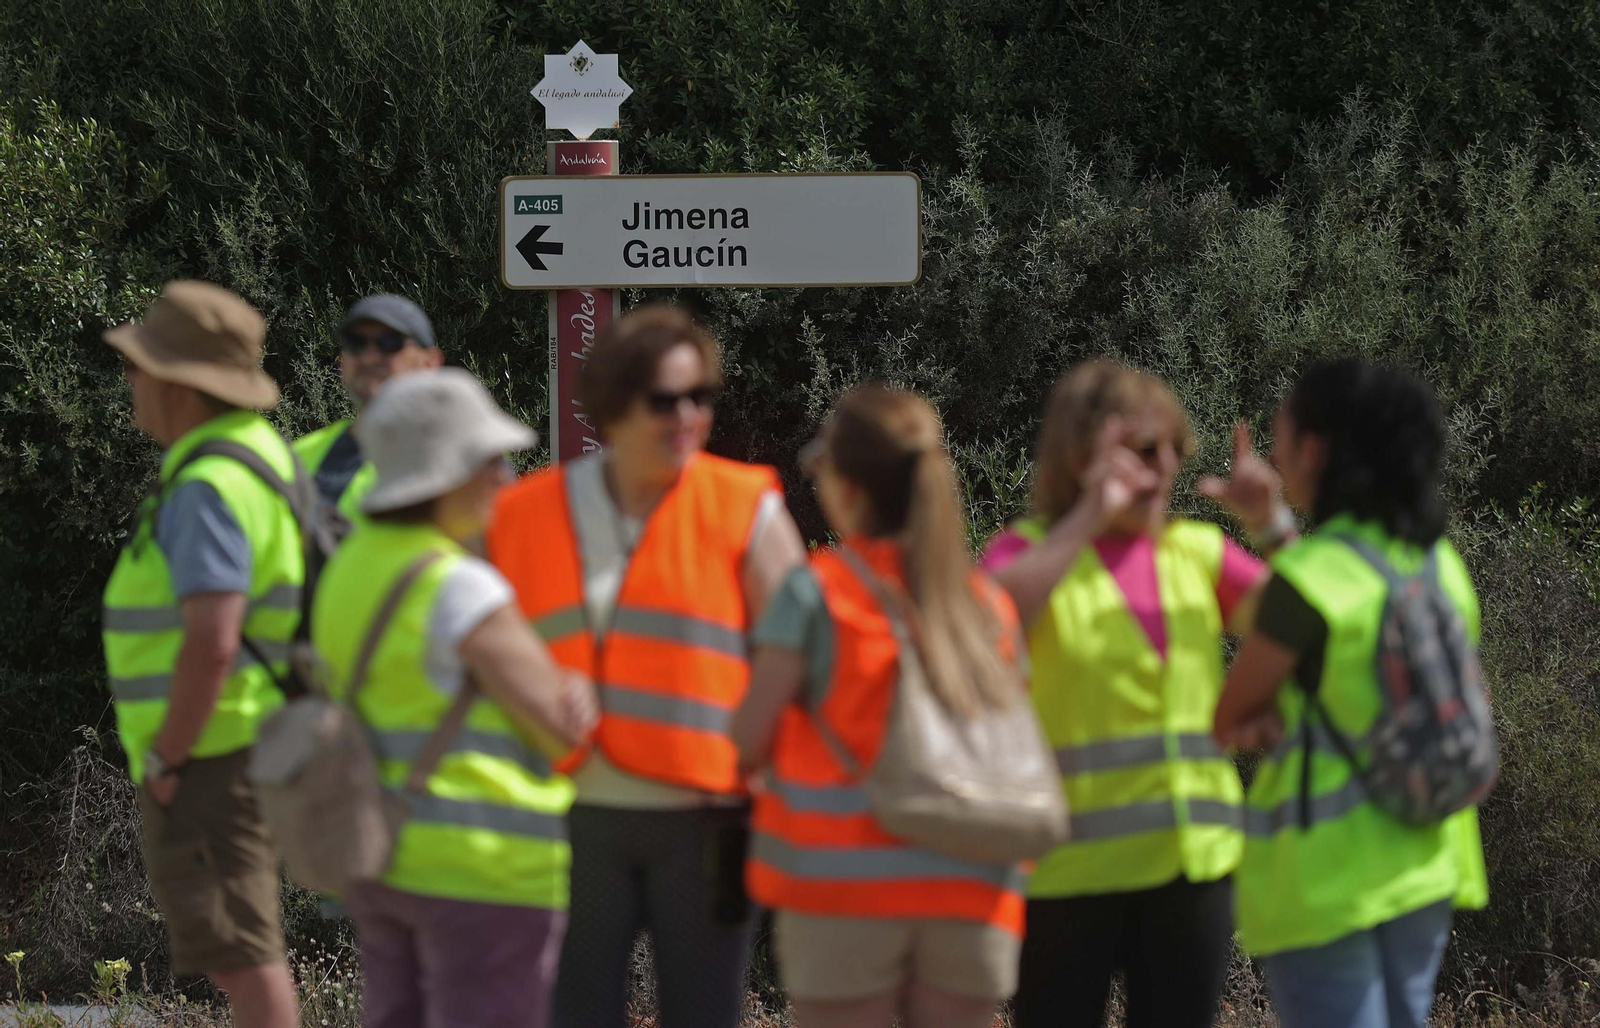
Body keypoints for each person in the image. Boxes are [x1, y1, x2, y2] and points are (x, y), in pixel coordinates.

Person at [488, 304, 807, 1028]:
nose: (689, 415)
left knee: (704, 1015)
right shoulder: (524, 514)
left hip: (710, 818)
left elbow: (798, 651)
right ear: (614, 403)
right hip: (570, 815)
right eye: (667, 400)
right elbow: (476, 636)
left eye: (702, 397)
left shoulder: (743, 506)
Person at [985, 359, 1288, 1028]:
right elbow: (983, 626)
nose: (1164, 465)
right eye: (1142, 449)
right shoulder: (1027, 551)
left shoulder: (1196, 552)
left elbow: (1315, 624)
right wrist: (1088, 518)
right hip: (1068, 874)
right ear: (1081, 455)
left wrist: (1272, 525)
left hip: (1194, 870)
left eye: (1174, 446)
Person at [734, 385, 1030, 1028]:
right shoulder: (986, 605)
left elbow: (749, 735)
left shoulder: (816, 594)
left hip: (843, 894)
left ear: (847, 487)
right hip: (972, 889)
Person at [312, 368, 598, 1028]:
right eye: (488, 459)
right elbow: (564, 729)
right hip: (482, 869)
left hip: (380, 857)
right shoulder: (460, 587)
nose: (504, 476)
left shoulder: (348, 569)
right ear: (444, 472)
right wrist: (574, 690)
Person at [1212, 358, 1489, 1028]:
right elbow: (1344, 595)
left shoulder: (1306, 582)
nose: (1275, 450)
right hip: (1428, 860)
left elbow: (1229, 715)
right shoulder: (1437, 564)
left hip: (1326, 882)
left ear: (1314, 450)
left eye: (1282, 434)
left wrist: (1257, 724)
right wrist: (1273, 524)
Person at [101, 281, 301, 1028]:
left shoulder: (207, 487)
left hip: (213, 752)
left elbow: (213, 640)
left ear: (182, 385)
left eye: (139, 366)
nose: (131, 382)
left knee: (244, 960)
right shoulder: (256, 460)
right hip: (245, 740)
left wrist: (169, 758)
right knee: (237, 951)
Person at [294, 294, 443, 515]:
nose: (370, 356)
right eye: (356, 343)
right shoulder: (301, 457)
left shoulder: (471, 459)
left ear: (430, 362)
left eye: (390, 342)